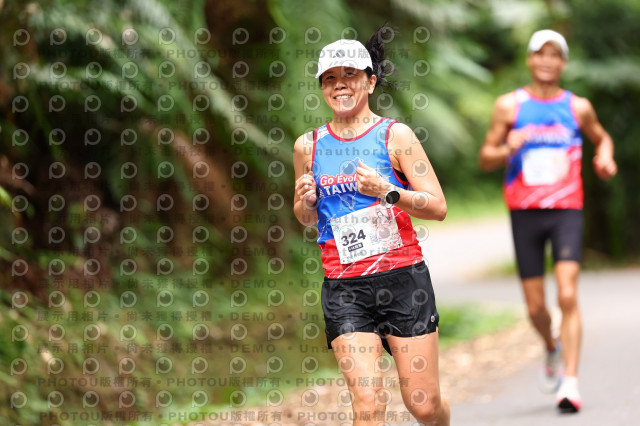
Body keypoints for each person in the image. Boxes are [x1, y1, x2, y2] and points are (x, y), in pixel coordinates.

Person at [293, 27, 451, 425]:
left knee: (424, 404)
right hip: (344, 287)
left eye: (350, 75)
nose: (340, 85)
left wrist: (388, 191)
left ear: (371, 81)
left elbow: (437, 207)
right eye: (330, 78)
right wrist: (304, 203)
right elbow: (309, 219)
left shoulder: (396, 136)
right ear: (322, 87)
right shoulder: (308, 146)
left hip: (403, 281)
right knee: (367, 403)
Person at [478, 29, 618, 413]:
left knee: (568, 294)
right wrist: (507, 148)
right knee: (536, 308)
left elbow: (602, 138)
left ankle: (569, 383)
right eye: (540, 53)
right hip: (524, 212)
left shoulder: (578, 107)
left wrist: (604, 157)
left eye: (554, 54)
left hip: (566, 209)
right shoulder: (509, 106)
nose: (546, 61)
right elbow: (485, 157)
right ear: (529, 59)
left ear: (563, 62)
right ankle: (551, 346)